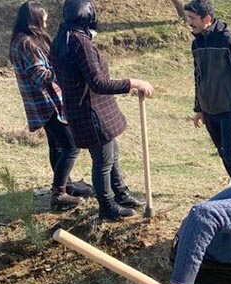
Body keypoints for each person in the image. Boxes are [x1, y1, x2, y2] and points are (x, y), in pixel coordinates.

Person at [50, 0, 155, 220]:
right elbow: (98, 83)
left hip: (82, 109)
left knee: (111, 154)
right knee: (103, 161)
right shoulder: (79, 42)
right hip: (91, 112)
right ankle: (107, 206)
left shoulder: (61, 38)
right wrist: (133, 82)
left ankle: (121, 193)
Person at [9, 1, 93, 211]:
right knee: (71, 147)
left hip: (42, 103)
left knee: (57, 146)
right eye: (43, 20)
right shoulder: (27, 44)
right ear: (34, 20)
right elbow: (40, 75)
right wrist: (64, 69)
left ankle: (67, 184)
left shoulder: (23, 41)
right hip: (46, 103)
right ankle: (59, 193)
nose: (46, 24)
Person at [184, 0, 231, 184]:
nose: (189, 22)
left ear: (207, 18)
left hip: (229, 109)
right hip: (209, 110)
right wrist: (199, 108)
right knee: (224, 154)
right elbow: (198, 76)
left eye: (192, 18)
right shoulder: (197, 43)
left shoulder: (229, 41)